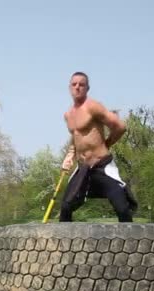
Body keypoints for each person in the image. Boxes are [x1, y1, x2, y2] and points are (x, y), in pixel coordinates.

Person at [59, 71, 137, 222]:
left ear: (87, 88)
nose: (77, 87)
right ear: (69, 87)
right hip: (83, 167)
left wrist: (106, 144)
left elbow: (120, 127)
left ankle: (131, 241)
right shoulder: (68, 115)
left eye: (81, 85)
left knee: (122, 208)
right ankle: (65, 244)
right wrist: (70, 155)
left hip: (102, 165)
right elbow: (76, 137)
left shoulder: (93, 107)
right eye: (74, 84)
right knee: (66, 207)